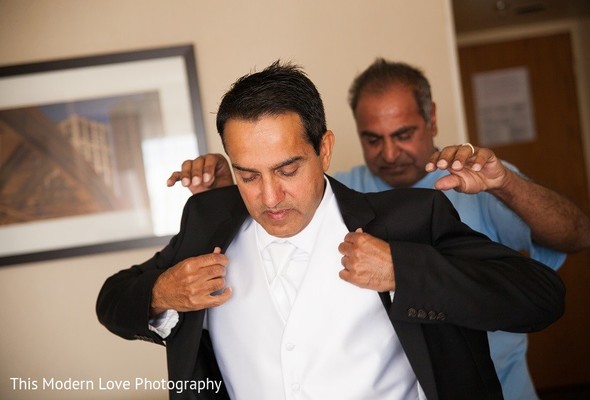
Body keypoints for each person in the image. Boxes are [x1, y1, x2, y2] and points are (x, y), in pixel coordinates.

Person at [97, 61, 565, 400]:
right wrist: (162, 292)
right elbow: (112, 300)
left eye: (286, 169)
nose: (270, 197)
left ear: (324, 150)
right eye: (248, 175)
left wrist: (405, 270)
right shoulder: (206, 222)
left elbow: (542, 297)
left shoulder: (411, 218)